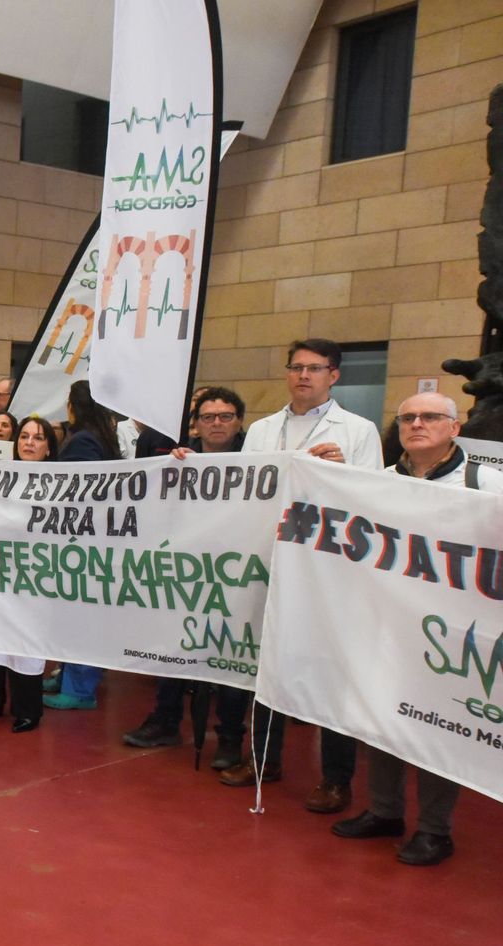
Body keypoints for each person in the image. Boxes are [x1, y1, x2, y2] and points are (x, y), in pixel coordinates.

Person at [329, 391, 503, 866]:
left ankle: (434, 830)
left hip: (454, 635)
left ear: (455, 427)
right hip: (388, 626)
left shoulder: (487, 483)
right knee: (382, 719)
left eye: (429, 417)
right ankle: (384, 811)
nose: (417, 424)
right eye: (407, 418)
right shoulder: (380, 483)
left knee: (437, 729)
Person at [220, 338, 383, 814]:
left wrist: (343, 472)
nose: (303, 376)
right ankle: (263, 759)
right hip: (269, 557)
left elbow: (374, 497)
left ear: (334, 375)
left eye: (314, 368)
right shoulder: (265, 429)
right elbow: (239, 488)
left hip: (328, 568)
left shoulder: (358, 430)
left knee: (330, 671)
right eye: (296, 367)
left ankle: (336, 778)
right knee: (267, 660)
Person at [120, 387, 251, 767]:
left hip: (235, 577)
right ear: (196, 424)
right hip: (184, 574)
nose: (216, 424)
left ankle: (228, 738)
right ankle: (165, 720)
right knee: (173, 650)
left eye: (225, 416)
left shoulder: (258, 460)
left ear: (239, 421)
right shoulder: (180, 459)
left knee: (227, 659)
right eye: (208, 417)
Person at [0, 415, 56, 731]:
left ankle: (28, 710)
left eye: (38, 437)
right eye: (25, 437)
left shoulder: (62, 481)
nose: (29, 442)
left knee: (25, 641)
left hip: (35, 576)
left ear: (48, 447)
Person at [41, 380, 120, 711]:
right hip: (94, 539)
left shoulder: (83, 441)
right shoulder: (101, 438)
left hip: (82, 539)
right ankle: (72, 674)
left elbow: (78, 491)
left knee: (79, 615)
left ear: (74, 405)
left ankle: (79, 688)